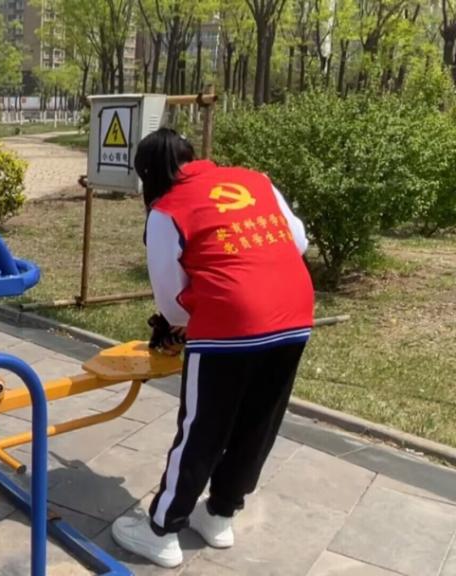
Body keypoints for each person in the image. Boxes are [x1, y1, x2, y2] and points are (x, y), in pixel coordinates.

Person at [110, 128, 314, 568]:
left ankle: (161, 531)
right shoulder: (256, 180)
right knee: (257, 422)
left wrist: (184, 324)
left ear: (149, 175)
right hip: (295, 314)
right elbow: (298, 242)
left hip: (230, 323)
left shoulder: (166, 209)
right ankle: (220, 515)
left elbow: (171, 303)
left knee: (202, 429)